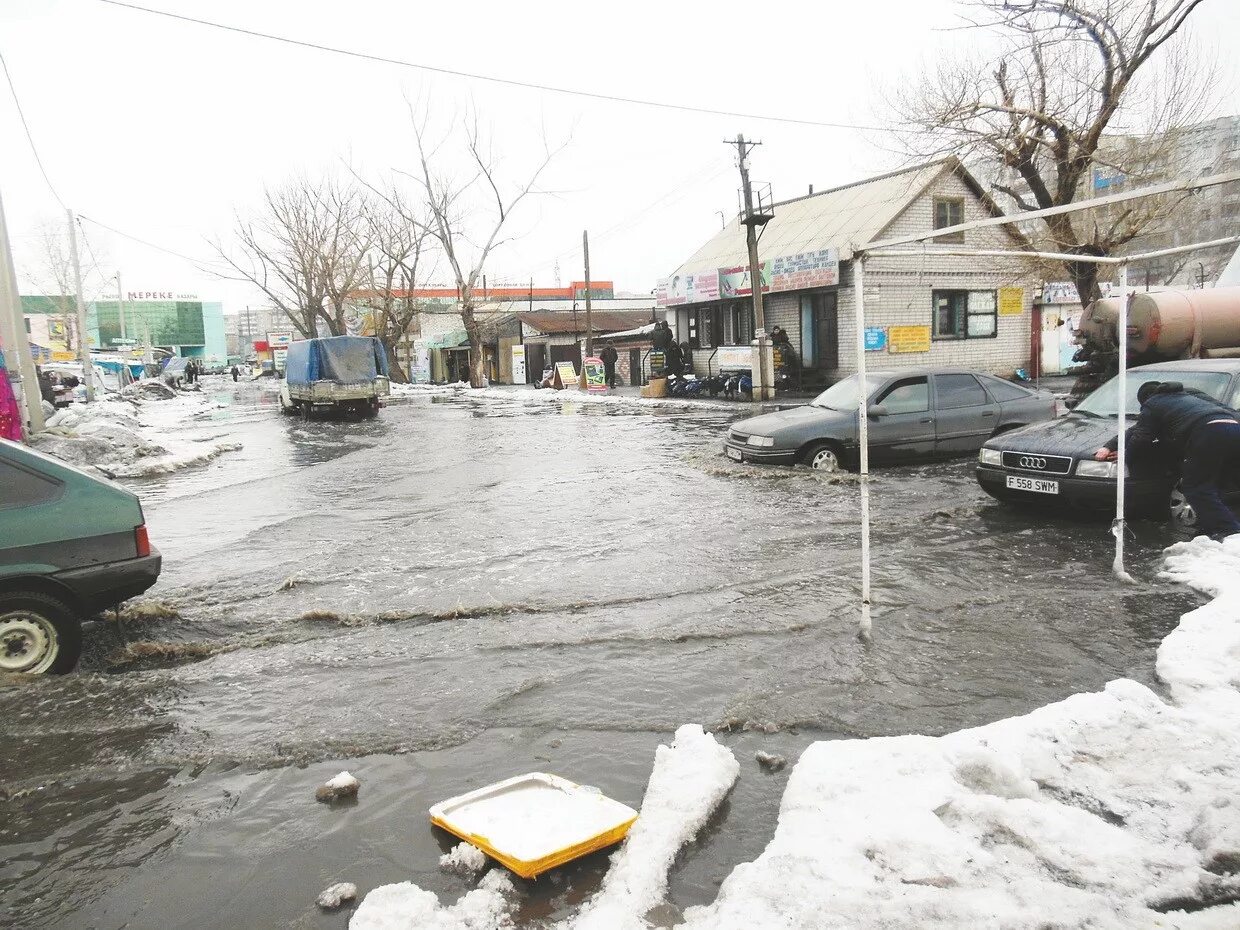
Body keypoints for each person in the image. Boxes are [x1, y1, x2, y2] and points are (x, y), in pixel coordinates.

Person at [1094, 380, 1240, 540]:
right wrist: (1110, 445)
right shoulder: (1187, 396)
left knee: (1195, 487)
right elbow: (1136, 429)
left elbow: (1142, 436)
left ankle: (1230, 532)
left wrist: (1126, 456)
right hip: (1234, 429)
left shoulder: (1153, 403)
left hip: (1208, 432)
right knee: (1216, 485)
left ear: (1145, 398)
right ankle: (1212, 527)